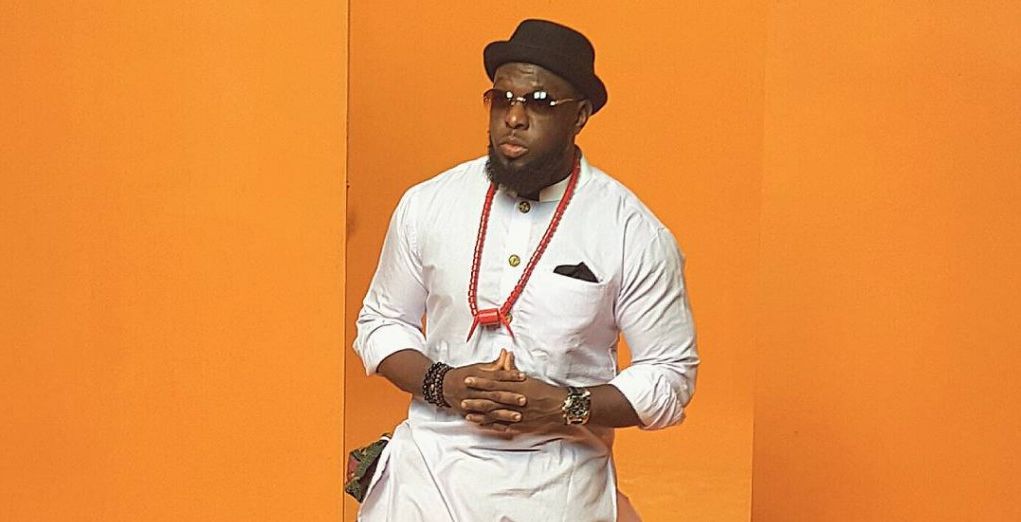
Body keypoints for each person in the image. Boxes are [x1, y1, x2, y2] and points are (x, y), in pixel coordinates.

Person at [353, 19, 699, 522]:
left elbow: (669, 375)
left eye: (539, 102)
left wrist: (564, 405)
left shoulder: (631, 231)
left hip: (560, 478)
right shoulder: (428, 204)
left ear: (580, 115)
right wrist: (442, 384)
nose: (514, 118)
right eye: (502, 99)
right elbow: (381, 321)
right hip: (428, 467)